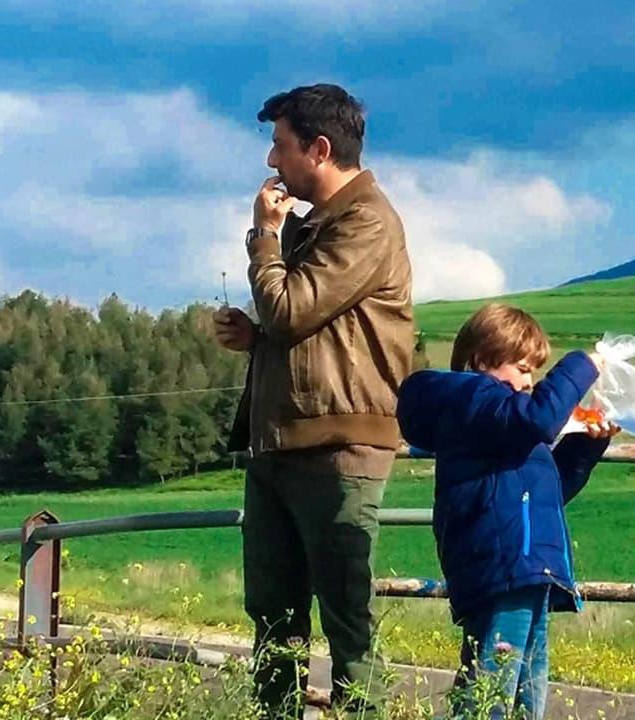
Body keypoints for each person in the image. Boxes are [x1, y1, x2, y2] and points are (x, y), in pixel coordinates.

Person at [213, 83, 413, 719]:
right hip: (280, 445)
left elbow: (293, 308)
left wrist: (264, 237)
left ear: (319, 149)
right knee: (273, 620)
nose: (272, 162)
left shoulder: (366, 222)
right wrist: (258, 339)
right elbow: (306, 327)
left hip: (337, 450)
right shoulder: (321, 225)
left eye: (280, 146)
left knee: (346, 619)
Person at [395, 304, 618, 719]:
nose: (528, 382)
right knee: (491, 689)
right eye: (521, 368)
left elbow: (543, 494)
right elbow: (538, 420)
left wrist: (587, 445)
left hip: (523, 564)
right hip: (503, 564)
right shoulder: (475, 400)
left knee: (525, 690)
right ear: (482, 361)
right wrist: (581, 365)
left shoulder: (505, 422)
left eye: (534, 371)